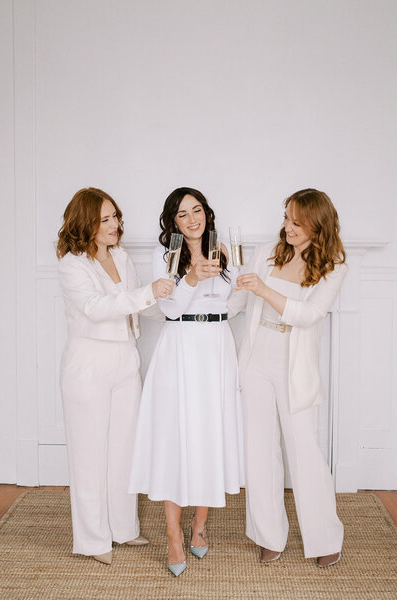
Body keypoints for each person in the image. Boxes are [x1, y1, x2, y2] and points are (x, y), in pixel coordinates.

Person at [128, 187, 244, 576]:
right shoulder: (166, 256)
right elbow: (171, 309)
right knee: (175, 440)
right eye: (182, 214)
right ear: (172, 222)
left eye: (197, 210)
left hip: (217, 349)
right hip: (180, 350)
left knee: (209, 435)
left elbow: (234, 304)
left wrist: (240, 278)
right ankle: (174, 536)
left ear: (207, 213)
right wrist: (191, 277)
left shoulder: (224, 252)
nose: (192, 219)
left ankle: (200, 528)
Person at [228, 188, 347, 568]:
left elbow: (310, 315)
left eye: (297, 222)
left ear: (318, 224)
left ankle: (325, 536)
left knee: (304, 450)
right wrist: (225, 279)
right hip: (257, 356)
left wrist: (263, 288)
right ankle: (268, 535)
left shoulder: (333, 264)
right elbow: (239, 303)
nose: (287, 227)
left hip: (293, 364)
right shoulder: (267, 251)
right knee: (259, 449)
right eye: (286, 218)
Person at [57, 187, 173, 565]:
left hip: (126, 360)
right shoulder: (72, 264)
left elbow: (142, 307)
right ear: (85, 223)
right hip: (88, 364)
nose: (115, 225)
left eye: (116, 216)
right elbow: (96, 307)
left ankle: (123, 529)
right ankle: (93, 541)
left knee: (125, 450)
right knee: (90, 455)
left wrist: (179, 305)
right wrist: (148, 293)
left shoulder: (121, 257)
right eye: (105, 219)